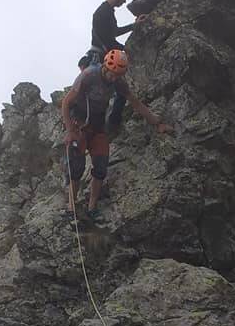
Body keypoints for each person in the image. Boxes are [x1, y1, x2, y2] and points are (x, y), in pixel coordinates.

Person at [62, 49, 172, 221]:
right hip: (79, 124)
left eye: (117, 75)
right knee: (76, 167)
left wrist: (157, 123)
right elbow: (66, 103)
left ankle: (92, 207)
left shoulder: (119, 82)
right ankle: (71, 207)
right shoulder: (89, 76)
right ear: (105, 67)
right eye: (112, 74)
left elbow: (135, 103)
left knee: (101, 166)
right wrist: (69, 131)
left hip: (98, 126)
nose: (113, 78)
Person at [79, 0, 147, 130]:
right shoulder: (101, 13)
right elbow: (108, 41)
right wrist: (127, 49)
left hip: (104, 57)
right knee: (103, 93)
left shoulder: (108, 12)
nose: (124, 1)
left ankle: (110, 126)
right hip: (100, 59)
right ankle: (106, 126)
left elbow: (113, 33)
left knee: (119, 91)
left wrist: (134, 26)